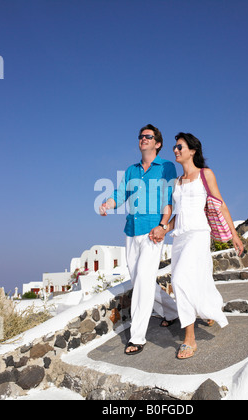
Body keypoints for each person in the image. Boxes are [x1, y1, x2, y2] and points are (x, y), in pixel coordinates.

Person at [155, 132, 244, 360]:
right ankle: (210, 308)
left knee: (179, 280)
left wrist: (234, 234)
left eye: (179, 146)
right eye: (174, 147)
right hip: (180, 236)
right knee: (199, 278)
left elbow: (220, 204)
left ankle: (190, 338)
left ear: (193, 150)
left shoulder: (206, 174)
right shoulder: (177, 182)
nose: (175, 150)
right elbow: (177, 213)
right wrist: (164, 228)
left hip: (199, 233)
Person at [99, 124, 179, 355]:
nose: (143, 139)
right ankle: (173, 312)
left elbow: (168, 198)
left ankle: (137, 337)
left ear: (158, 143)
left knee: (143, 281)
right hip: (131, 231)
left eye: (148, 136)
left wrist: (163, 226)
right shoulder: (131, 170)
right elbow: (120, 195)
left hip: (153, 232)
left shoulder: (166, 166)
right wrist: (108, 205)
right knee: (141, 281)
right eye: (141, 136)